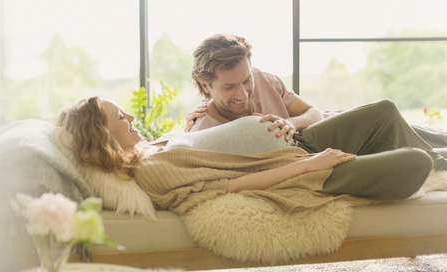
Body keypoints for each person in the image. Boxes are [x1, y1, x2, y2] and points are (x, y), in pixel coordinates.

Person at [54, 96, 436, 215]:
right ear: (103, 137)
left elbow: (203, 152)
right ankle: (439, 164)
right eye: (121, 117)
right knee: (418, 163)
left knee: (383, 109)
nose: (132, 116)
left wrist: (184, 131)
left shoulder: (145, 149)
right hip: (303, 172)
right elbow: (231, 184)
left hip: (292, 145)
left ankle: (441, 158)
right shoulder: (150, 173)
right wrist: (311, 164)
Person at [185, 34, 447, 172]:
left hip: (322, 126)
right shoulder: (203, 130)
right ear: (206, 86)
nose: (243, 94)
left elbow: (313, 113)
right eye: (229, 87)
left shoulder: (265, 80)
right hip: (310, 151)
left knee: (420, 132)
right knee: (385, 116)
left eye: (246, 80)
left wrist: (288, 123)